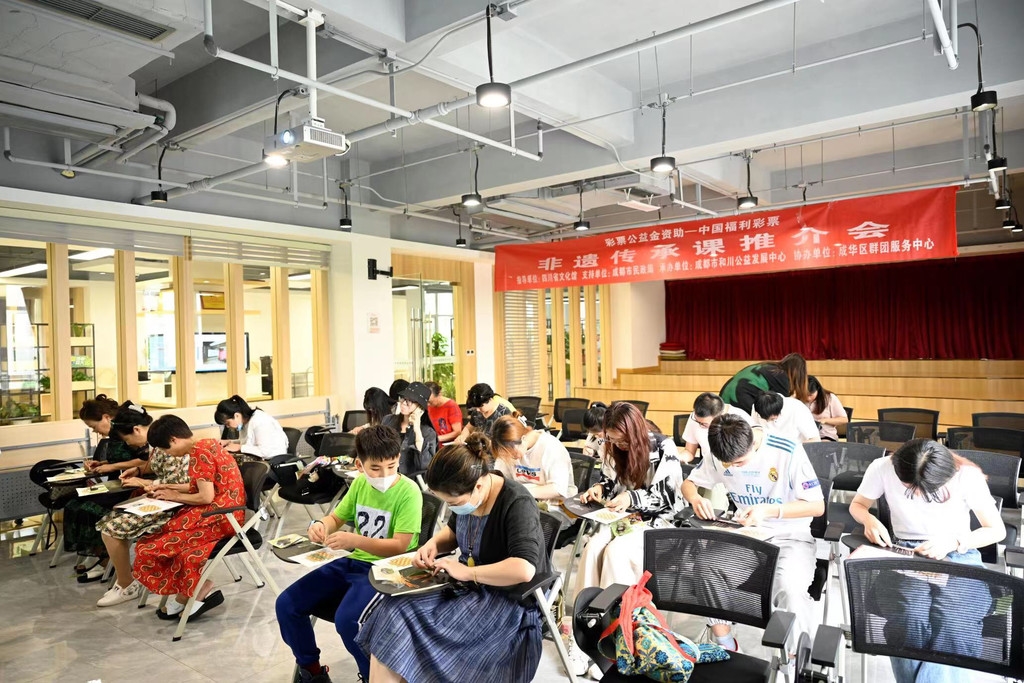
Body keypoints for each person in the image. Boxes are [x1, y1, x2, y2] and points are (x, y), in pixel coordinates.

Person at [356, 434, 549, 683]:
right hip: (470, 587)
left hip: (505, 601)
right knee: (393, 611)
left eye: (454, 502)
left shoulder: (516, 502)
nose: (452, 507)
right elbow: (454, 532)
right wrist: (433, 545)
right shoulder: (467, 491)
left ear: (478, 486)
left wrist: (468, 572)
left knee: (407, 623)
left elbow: (524, 569)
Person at [849, 439, 1004, 683]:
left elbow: (996, 530)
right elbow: (858, 505)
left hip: (958, 552)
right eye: (910, 487)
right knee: (908, 619)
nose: (919, 494)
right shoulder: (882, 467)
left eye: (928, 489)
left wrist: (954, 541)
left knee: (955, 623)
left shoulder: (967, 476)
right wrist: (869, 520)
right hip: (905, 552)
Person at [276, 425, 422, 683]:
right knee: (287, 604)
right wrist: (321, 526)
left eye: (391, 466)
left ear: (398, 459)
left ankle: (373, 677)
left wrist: (354, 540)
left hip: (388, 570)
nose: (384, 474)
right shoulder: (360, 484)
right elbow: (336, 518)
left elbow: (401, 545)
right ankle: (312, 672)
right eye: (375, 468)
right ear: (359, 465)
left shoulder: (408, 491)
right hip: (354, 563)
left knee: (349, 622)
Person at [681, 414, 824, 651]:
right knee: (705, 567)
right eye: (729, 464)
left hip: (791, 536)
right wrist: (695, 498)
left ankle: (796, 658)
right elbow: (689, 483)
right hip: (747, 534)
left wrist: (769, 510)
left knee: (790, 589)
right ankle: (726, 644)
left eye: (740, 462)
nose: (735, 467)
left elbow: (817, 506)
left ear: (752, 443)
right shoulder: (718, 454)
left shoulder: (787, 450)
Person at [132, 415, 245, 620]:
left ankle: (197, 588)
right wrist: (167, 486)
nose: (168, 454)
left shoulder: (199, 452)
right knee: (173, 543)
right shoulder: (206, 444)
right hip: (226, 510)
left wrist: (174, 496)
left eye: (165, 449)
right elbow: (202, 485)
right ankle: (192, 590)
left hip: (221, 516)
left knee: (151, 547)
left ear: (174, 440)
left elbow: (205, 496)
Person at [574, 402, 683, 592]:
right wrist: (600, 488)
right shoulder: (611, 446)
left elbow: (666, 497)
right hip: (625, 518)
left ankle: (622, 608)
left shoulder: (663, 447)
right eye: (613, 440)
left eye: (624, 441)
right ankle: (586, 607)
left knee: (615, 552)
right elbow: (610, 481)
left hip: (658, 521)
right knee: (592, 548)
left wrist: (631, 498)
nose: (619, 446)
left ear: (635, 432)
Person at [95, 405, 191, 607]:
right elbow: (158, 470)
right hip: (163, 498)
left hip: (176, 504)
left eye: (127, 439)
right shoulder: (158, 445)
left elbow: (177, 484)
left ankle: (126, 584)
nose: (128, 444)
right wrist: (138, 471)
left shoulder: (167, 446)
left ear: (137, 430)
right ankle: (125, 580)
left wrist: (142, 482)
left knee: (110, 529)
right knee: (109, 520)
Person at [62, 397, 150, 582]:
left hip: (133, 485)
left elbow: (145, 461)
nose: (95, 431)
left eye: (94, 427)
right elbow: (122, 461)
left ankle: (106, 560)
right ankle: (99, 554)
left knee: (90, 508)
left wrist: (112, 467)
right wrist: (102, 464)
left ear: (106, 417)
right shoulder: (118, 435)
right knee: (73, 504)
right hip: (121, 482)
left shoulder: (132, 434)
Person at [491, 415, 575, 503]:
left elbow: (558, 489)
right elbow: (500, 480)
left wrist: (521, 492)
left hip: (556, 503)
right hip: (523, 500)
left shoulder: (551, 447)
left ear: (523, 439)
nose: (511, 457)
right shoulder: (505, 447)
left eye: (513, 453)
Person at [719, 352, 809, 414]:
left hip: (723, 398)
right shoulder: (781, 375)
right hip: (740, 400)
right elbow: (782, 411)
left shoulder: (766, 366)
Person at [679, 392, 755, 463]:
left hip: (734, 466)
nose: (700, 425)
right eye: (697, 421)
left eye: (704, 424)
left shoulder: (741, 419)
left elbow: (753, 450)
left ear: (719, 417)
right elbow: (689, 452)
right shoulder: (695, 418)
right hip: (708, 466)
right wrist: (677, 458)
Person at [214, 394, 289, 465]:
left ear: (237, 415)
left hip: (274, 462)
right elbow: (247, 442)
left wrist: (240, 447)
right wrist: (229, 442)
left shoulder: (259, 421)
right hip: (262, 461)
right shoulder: (245, 422)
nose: (227, 427)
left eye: (227, 423)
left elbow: (265, 451)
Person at [383, 381, 437, 476]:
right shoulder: (388, 420)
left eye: (409, 401)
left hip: (409, 479)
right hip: (386, 475)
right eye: (403, 398)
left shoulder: (427, 432)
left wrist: (417, 430)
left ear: (420, 407)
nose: (403, 403)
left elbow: (424, 465)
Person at [752, 391, 820, 443]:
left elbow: (815, 439)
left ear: (779, 413)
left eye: (772, 419)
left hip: (796, 450)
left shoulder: (797, 409)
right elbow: (756, 430)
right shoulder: (757, 407)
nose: (768, 422)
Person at [805, 375, 847, 441]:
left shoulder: (830, 398)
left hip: (825, 436)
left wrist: (825, 420)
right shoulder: (799, 399)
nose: (808, 398)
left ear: (818, 389)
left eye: (810, 395)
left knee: (817, 445)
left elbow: (844, 419)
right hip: (806, 437)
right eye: (805, 395)